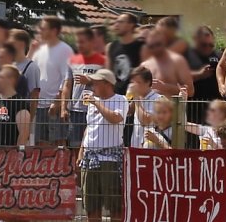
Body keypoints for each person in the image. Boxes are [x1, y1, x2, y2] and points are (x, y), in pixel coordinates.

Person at [78, 69, 127, 222]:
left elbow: (115, 118)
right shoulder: (93, 102)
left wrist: (96, 103)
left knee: (114, 206)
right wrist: (81, 152)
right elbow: (89, 128)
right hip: (90, 158)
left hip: (111, 160)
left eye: (96, 82)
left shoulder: (120, 100)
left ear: (108, 83)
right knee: (91, 206)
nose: (92, 86)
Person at [64, 28, 107, 161]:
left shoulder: (102, 61)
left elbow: (108, 83)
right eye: (78, 42)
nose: (79, 45)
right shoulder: (72, 61)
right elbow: (67, 85)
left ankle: (90, 174)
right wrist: (63, 108)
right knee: (74, 146)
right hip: (75, 110)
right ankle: (76, 177)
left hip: (95, 110)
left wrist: (89, 80)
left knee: (92, 145)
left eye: (82, 42)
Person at [32, 16, 72, 147]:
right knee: (39, 143)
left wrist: (58, 102)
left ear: (54, 31)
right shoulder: (39, 49)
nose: (40, 31)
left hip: (53, 106)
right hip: (37, 105)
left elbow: (67, 79)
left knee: (58, 143)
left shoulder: (64, 50)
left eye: (43, 28)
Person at [0, 65, 32, 147]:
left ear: (11, 80)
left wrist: (15, 156)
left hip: (9, 156)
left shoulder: (20, 104)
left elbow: (23, 135)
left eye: (1, 77)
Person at [142, 27, 194, 98]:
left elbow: (190, 91)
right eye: (151, 45)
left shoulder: (178, 61)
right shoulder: (145, 65)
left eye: (158, 44)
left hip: (173, 108)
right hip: (147, 108)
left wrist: (164, 87)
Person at [188, 26, 220, 122]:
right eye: (203, 45)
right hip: (194, 107)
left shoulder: (219, 55)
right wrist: (199, 75)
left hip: (216, 106)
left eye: (210, 45)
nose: (207, 47)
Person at [128, 66, 162, 150]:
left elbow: (146, 121)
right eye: (133, 83)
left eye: (138, 82)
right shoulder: (138, 99)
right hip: (135, 146)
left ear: (147, 82)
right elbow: (127, 112)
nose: (134, 86)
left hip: (151, 148)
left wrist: (136, 98)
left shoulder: (158, 99)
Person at [109, 13, 143, 95]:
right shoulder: (111, 46)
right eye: (116, 22)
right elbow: (108, 73)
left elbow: (146, 73)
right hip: (115, 97)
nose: (116, 25)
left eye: (120, 22)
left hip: (134, 96)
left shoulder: (142, 47)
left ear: (131, 25)